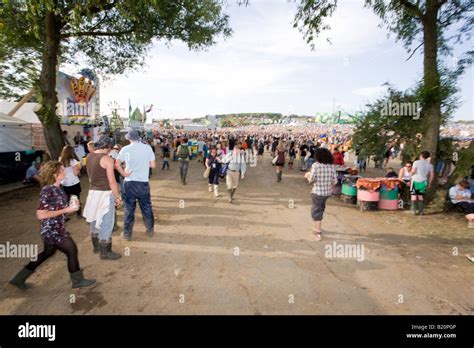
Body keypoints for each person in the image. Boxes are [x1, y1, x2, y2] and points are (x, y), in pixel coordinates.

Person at [9, 161, 96, 290]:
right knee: (72, 250)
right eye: (62, 170)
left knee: (47, 253)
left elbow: (57, 208)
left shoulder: (58, 188)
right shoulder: (48, 190)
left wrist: (71, 205)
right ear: (55, 174)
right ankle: (77, 280)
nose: (65, 171)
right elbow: (41, 215)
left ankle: (19, 278)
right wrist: (66, 210)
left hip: (55, 229)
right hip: (52, 230)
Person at [83, 135, 125, 259]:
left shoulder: (89, 156)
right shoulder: (107, 159)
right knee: (107, 221)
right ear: (106, 147)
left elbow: (90, 176)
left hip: (93, 192)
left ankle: (96, 247)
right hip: (105, 193)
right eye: (109, 147)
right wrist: (118, 197)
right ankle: (105, 251)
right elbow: (112, 181)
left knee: (94, 218)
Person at [116, 129, 156, 240]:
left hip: (129, 182)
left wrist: (124, 173)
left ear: (128, 138)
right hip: (143, 182)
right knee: (146, 207)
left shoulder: (125, 149)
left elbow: (117, 164)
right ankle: (150, 230)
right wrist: (143, 164)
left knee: (129, 209)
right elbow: (153, 165)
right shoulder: (147, 148)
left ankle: (127, 234)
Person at [304, 148, 337, 241]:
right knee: (320, 209)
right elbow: (335, 181)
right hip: (327, 192)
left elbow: (311, 179)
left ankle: (317, 232)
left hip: (317, 192)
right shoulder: (332, 166)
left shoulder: (316, 165)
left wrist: (307, 175)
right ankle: (317, 227)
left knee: (316, 211)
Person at [59, 145, 82, 219]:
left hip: (64, 182)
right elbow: (76, 173)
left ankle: (64, 216)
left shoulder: (60, 160)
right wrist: (79, 168)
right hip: (74, 182)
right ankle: (78, 214)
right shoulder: (73, 161)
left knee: (66, 200)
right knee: (76, 198)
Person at [410, 151, 434, 215]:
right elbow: (431, 175)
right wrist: (429, 183)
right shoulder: (430, 165)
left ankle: (413, 211)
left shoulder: (416, 162)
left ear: (421, 155)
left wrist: (411, 174)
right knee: (420, 196)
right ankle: (421, 211)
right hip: (423, 181)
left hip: (415, 180)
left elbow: (413, 171)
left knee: (414, 196)